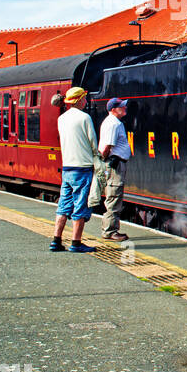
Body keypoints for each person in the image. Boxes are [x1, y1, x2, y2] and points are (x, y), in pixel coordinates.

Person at [50, 87, 99, 253]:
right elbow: (93, 142)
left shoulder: (61, 119)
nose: (85, 100)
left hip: (67, 167)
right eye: (84, 98)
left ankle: (56, 241)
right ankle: (76, 243)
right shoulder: (85, 118)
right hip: (82, 167)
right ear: (79, 100)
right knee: (80, 204)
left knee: (64, 205)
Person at [96, 98, 132, 241]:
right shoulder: (113, 124)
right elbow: (107, 147)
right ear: (113, 109)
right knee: (114, 196)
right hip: (114, 164)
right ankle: (110, 231)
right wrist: (106, 162)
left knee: (114, 196)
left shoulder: (113, 122)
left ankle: (110, 229)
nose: (124, 108)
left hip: (114, 163)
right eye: (121, 106)